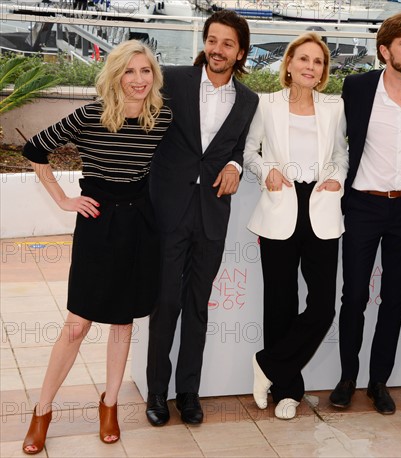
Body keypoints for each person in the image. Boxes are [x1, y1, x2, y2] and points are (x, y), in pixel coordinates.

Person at [20, 40, 171, 455]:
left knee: (122, 323)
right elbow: (35, 148)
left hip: (140, 225)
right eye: (129, 71)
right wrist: (63, 199)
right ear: (115, 75)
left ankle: (109, 406)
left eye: (145, 71)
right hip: (98, 223)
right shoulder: (90, 116)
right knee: (77, 325)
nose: (138, 80)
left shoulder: (161, 117)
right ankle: (42, 411)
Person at [329, 12, 401, 415]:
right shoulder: (358, 88)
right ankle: (347, 378)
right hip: (364, 204)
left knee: (395, 298)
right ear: (385, 50)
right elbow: (334, 137)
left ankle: (379, 381)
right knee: (354, 296)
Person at [145, 10, 259, 426]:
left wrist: (236, 167)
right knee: (166, 302)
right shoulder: (173, 80)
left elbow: (241, 148)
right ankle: (156, 392)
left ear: (240, 52)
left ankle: (188, 393)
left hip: (212, 214)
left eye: (227, 43)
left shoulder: (248, 101)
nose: (217, 49)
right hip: (169, 209)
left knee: (197, 307)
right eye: (213, 40)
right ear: (205, 43)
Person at [245, 32, 348, 420]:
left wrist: (338, 176)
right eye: (303, 59)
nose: (310, 67)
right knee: (280, 303)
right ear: (288, 64)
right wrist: (266, 170)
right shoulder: (266, 104)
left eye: (318, 62)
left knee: (322, 307)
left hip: (321, 206)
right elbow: (248, 150)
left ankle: (267, 365)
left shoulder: (334, 106)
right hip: (280, 204)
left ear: (323, 71)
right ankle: (286, 391)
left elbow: (342, 153)